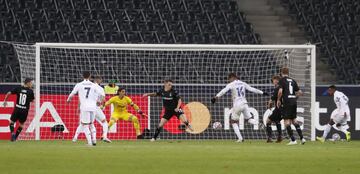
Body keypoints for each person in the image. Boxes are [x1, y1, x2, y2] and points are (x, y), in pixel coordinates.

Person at [211, 73, 269, 142]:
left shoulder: (231, 84)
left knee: (233, 122)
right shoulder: (243, 83)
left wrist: (216, 97)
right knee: (249, 119)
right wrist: (262, 92)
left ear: (232, 78)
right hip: (244, 103)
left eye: (229, 79)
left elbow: (223, 91)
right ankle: (259, 124)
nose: (229, 81)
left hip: (237, 104)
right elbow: (252, 89)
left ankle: (240, 138)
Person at [67, 71, 105, 146]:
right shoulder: (94, 85)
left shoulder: (79, 85)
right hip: (93, 107)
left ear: (82, 76)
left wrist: (68, 100)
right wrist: (99, 101)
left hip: (84, 107)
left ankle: (89, 142)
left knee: (85, 125)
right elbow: (101, 94)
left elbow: (72, 94)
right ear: (90, 76)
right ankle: (94, 140)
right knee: (91, 124)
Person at [73, 76, 111, 143]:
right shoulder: (100, 89)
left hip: (86, 108)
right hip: (96, 108)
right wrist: (102, 105)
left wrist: (78, 108)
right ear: (99, 80)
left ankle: (75, 137)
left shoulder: (86, 86)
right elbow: (103, 100)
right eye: (100, 79)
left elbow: (80, 98)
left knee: (84, 123)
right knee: (104, 122)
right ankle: (104, 136)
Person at [276, 67, 305, 145]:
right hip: (293, 102)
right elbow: (300, 92)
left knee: (286, 122)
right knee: (294, 120)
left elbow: (280, 91)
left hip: (287, 102)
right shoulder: (293, 80)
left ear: (281, 72)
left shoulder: (282, 80)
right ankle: (302, 138)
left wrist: (278, 100)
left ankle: (293, 140)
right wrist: (295, 98)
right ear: (288, 73)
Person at [265, 75, 283, 143]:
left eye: (274, 80)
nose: (273, 82)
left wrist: (269, 105)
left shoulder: (277, 88)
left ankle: (270, 138)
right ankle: (279, 137)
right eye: (273, 80)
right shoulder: (283, 87)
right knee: (277, 120)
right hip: (284, 108)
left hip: (278, 108)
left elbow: (271, 100)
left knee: (268, 121)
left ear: (277, 81)